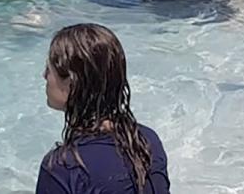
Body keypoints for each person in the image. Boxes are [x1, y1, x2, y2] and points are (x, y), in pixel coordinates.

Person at [37, 23, 170, 193]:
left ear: (71, 84)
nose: (44, 76)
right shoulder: (147, 142)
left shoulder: (62, 167)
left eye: (49, 69)